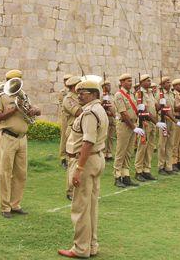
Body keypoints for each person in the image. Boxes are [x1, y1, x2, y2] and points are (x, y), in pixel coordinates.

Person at [58, 78, 108, 259]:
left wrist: (78, 168)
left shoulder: (89, 113)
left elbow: (88, 141)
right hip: (96, 159)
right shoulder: (98, 109)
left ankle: (80, 249)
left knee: (80, 207)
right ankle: (92, 245)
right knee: (92, 206)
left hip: (85, 161)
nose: (79, 95)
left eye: (83, 92)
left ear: (94, 94)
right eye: (78, 92)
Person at [0, 69, 41, 218]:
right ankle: (5, 207)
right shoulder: (0, 97)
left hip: (22, 138)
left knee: (21, 173)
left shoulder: (24, 96)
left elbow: (31, 112)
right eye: (14, 81)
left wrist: (35, 110)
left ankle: (15, 204)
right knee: (5, 173)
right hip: (8, 137)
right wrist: (12, 111)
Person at [112, 74, 141, 188]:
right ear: (122, 82)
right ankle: (117, 176)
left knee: (129, 152)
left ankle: (126, 175)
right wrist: (134, 127)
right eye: (128, 81)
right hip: (125, 125)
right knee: (121, 151)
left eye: (131, 81)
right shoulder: (119, 95)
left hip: (133, 124)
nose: (130, 83)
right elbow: (123, 113)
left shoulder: (131, 94)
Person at [61, 76, 82, 200]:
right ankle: (70, 190)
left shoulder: (79, 97)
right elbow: (79, 112)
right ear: (74, 86)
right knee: (73, 161)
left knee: (81, 161)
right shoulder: (68, 99)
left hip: (81, 131)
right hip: (73, 131)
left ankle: (78, 188)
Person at [134, 74, 158, 181]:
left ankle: (146, 169)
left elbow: (155, 107)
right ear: (142, 82)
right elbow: (143, 110)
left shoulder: (150, 93)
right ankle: (139, 170)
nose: (149, 82)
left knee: (150, 147)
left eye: (150, 81)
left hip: (152, 123)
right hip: (145, 122)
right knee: (142, 147)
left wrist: (162, 103)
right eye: (147, 81)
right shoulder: (140, 94)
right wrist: (155, 121)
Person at [58, 74, 73, 168]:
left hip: (73, 116)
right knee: (64, 137)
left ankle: (70, 156)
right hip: (65, 116)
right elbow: (62, 104)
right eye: (65, 80)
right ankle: (63, 157)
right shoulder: (63, 92)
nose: (66, 82)